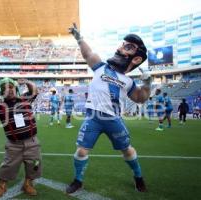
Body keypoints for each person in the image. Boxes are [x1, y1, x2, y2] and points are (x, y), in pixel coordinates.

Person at [66, 23, 150, 193]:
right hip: (93, 118)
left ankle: (138, 177)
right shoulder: (100, 67)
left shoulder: (128, 81)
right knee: (81, 151)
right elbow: (88, 53)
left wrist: (147, 84)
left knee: (127, 150)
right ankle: (78, 180)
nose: (120, 48)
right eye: (122, 43)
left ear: (136, 59)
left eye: (128, 47)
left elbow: (141, 99)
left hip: (113, 119)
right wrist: (79, 38)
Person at [0, 78, 41, 199]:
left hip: (32, 141)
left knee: (34, 164)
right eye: (5, 88)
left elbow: (34, 91)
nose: (9, 90)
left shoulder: (25, 99)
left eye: (11, 87)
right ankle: (2, 185)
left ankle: (28, 183)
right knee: (8, 165)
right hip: (14, 144)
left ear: (16, 89)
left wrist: (26, 81)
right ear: (1, 91)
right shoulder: (0, 106)